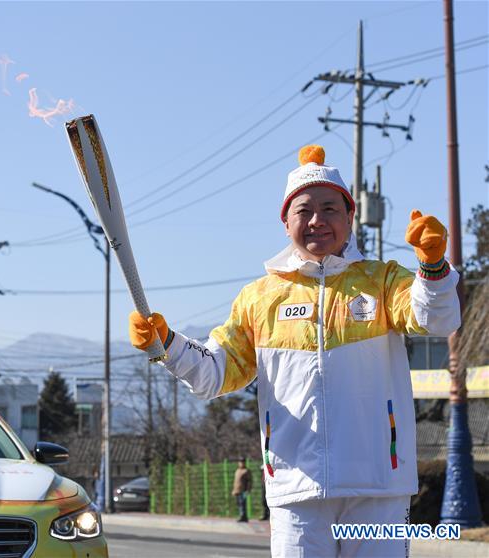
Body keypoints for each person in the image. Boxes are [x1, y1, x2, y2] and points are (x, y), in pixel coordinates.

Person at [128, 146, 460, 557]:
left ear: (350, 217)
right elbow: (215, 373)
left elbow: (437, 319)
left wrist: (432, 268)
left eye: (329, 208)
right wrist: (167, 344)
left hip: (378, 488)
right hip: (295, 489)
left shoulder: (383, 281)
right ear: (286, 222)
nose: (317, 220)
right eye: (304, 211)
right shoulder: (259, 298)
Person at [232, 458, 252, 522]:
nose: (241, 463)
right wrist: (233, 490)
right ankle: (244, 516)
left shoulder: (246, 471)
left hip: (243, 490)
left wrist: (248, 490)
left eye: (242, 462)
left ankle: (243, 516)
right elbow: (235, 481)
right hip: (237, 490)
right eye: (240, 462)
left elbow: (249, 481)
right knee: (239, 504)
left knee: (242, 504)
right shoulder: (237, 470)